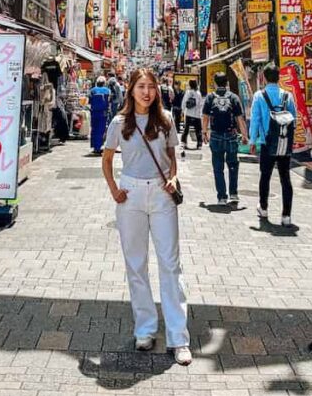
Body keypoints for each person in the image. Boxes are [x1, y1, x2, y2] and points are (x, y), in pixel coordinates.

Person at [101, 67, 191, 366]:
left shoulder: (165, 121)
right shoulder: (119, 122)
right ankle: (145, 329)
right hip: (131, 194)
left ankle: (179, 337)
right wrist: (114, 188)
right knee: (136, 264)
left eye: (151, 87)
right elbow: (107, 158)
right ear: (131, 89)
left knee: (170, 264)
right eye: (141, 86)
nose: (147, 92)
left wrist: (174, 179)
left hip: (162, 194)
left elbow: (172, 157)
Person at [249, 65, 297, 226]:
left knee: (265, 175)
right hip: (284, 142)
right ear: (279, 78)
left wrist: (252, 141)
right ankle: (286, 216)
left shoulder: (259, 96)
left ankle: (263, 208)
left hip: (266, 142)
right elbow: (293, 120)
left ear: (264, 78)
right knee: (285, 178)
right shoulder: (287, 96)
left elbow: (255, 119)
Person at [202, 71, 248, 205]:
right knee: (233, 165)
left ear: (215, 83)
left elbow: (205, 116)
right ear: (227, 83)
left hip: (215, 135)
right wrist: (244, 135)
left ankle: (222, 197)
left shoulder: (210, 97)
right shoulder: (233, 97)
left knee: (218, 166)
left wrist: (204, 132)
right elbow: (240, 118)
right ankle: (233, 194)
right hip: (231, 135)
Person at [180, 79, 203, 156]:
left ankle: (183, 142)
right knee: (198, 130)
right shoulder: (198, 93)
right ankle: (199, 144)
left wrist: (182, 110)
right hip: (196, 114)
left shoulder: (188, 92)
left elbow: (184, 101)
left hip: (188, 114)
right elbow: (200, 104)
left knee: (186, 129)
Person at [89, 75, 111, 155]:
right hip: (103, 112)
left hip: (94, 112)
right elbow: (109, 101)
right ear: (104, 83)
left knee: (94, 129)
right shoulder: (107, 90)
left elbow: (90, 101)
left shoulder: (92, 90)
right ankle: (99, 146)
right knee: (101, 129)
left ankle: (95, 146)